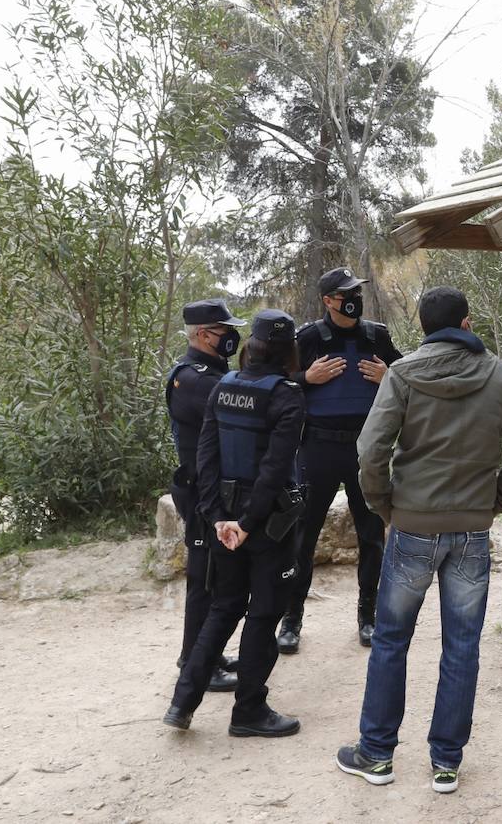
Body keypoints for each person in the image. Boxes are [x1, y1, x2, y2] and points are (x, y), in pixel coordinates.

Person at [335, 286, 502, 795]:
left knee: (390, 641)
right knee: (462, 647)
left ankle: (376, 754)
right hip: (471, 531)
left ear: (424, 328)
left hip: (412, 527)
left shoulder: (403, 374)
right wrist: (493, 502)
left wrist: (387, 507)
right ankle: (446, 764)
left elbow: (370, 450)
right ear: (467, 323)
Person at [164, 309, 307, 738]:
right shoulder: (287, 396)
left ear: (252, 346)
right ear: (288, 351)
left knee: (224, 607)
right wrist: (245, 522)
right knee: (264, 613)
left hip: (223, 520)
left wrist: (217, 518)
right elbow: (274, 469)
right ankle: (248, 711)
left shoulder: (223, 387)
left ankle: (182, 701)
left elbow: (205, 457)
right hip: (264, 524)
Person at [277, 267, 403, 655]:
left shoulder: (377, 335)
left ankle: (369, 616)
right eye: (346, 292)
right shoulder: (310, 337)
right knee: (303, 536)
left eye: (357, 291)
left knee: (370, 535)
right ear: (329, 300)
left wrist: (390, 375)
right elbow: (275, 383)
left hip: (366, 449)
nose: (355, 297)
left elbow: (409, 376)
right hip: (317, 449)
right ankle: (292, 618)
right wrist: (305, 379)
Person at [164, 299, 246, 693]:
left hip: (210, 486)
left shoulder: (211, 372)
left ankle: (206, 653)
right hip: (201, 491)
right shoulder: (195, 379)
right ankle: (194, 662)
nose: (231, 336)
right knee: (203, 578)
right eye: (223, 330)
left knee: (213, 576)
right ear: (201, 334)